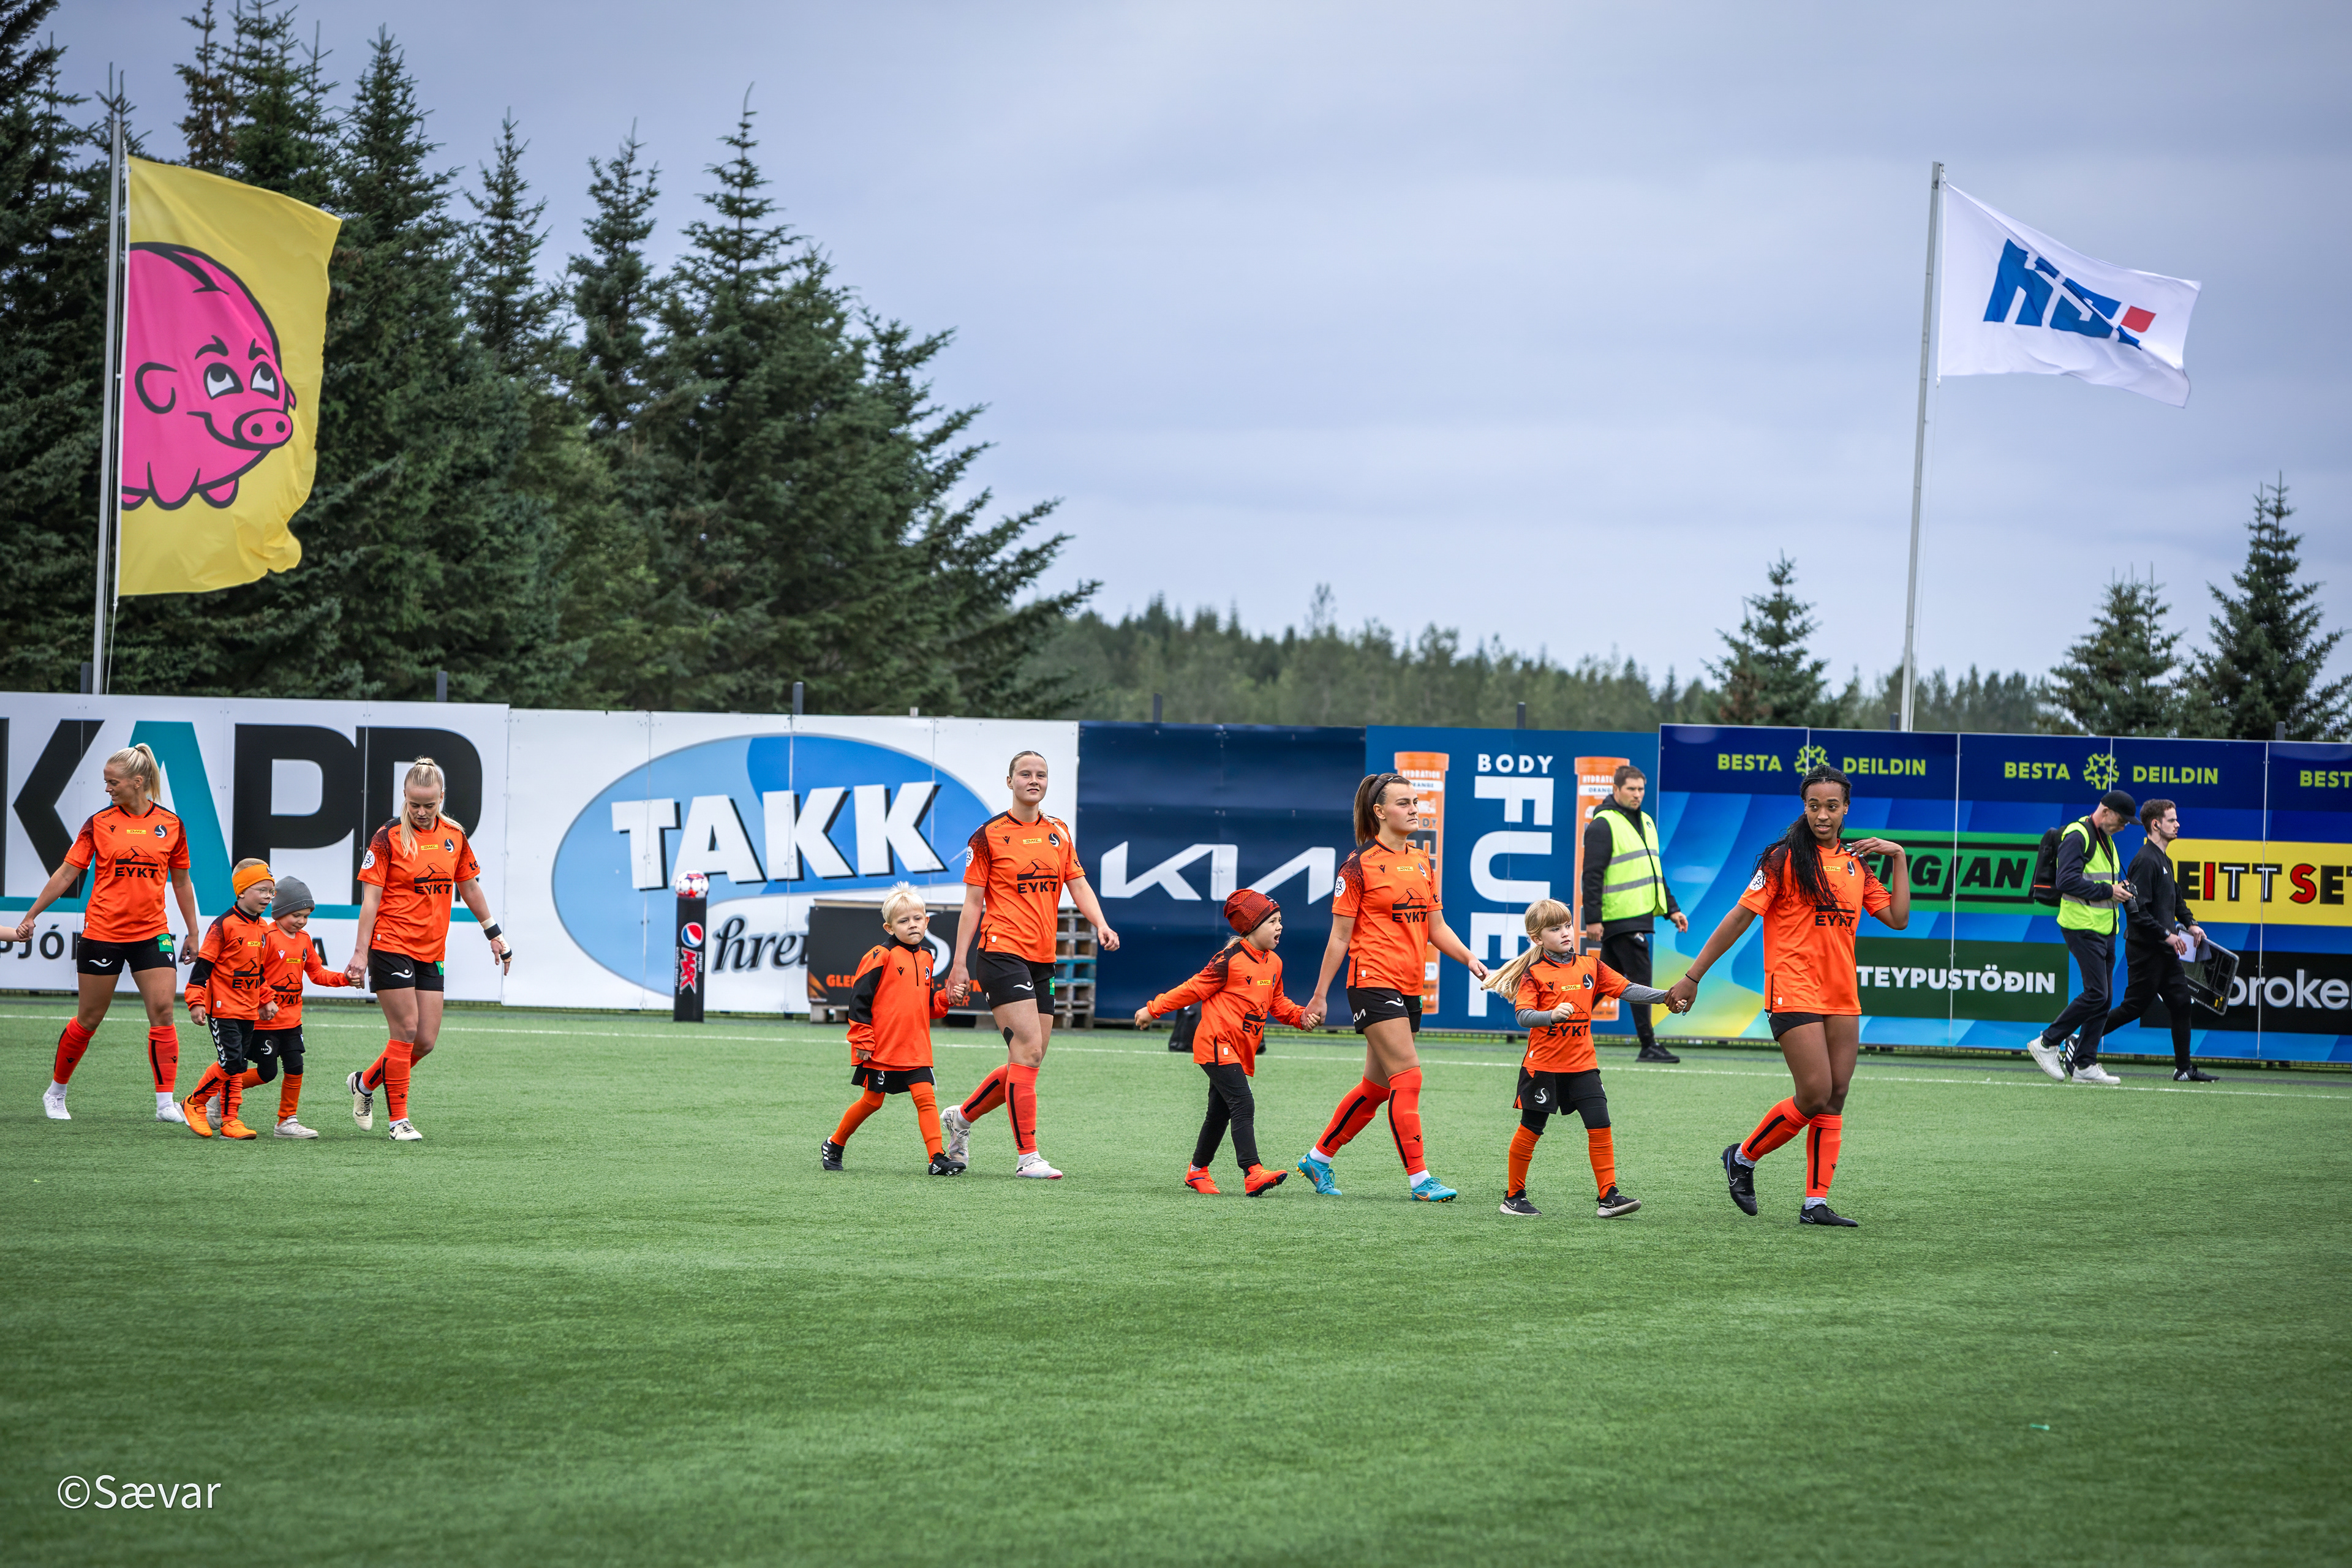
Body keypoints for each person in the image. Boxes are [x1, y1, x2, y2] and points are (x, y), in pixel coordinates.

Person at [1666, 764, 1910, 1228]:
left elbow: (1898, 919)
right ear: (1805, 808)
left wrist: (1897, 856)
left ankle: (1815, 1204)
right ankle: (1742, 1157)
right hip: (1793, 988)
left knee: (1836, 1096)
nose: (1823, 815)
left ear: (1846, 809)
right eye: (1814, 806)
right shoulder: (1782, 859)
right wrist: (1693, 977)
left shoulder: (1857, 864)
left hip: (1841, 994)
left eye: (1832, 806)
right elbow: (1740, 917)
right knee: (1815, 1093)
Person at [1294, 771, 1492, 1203]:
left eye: (1415, 802)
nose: (1414, 809)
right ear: (1380, 812)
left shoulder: (1422, 861)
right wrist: (1320, 995)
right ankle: (1421, 1180)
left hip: (1408, 986)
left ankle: (1318, 1158)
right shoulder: (1357, 866)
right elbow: (1340, 938)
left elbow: (1436, 927)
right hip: (1372, 981)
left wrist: (1469, 959)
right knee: (1409, 1076)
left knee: (1378, 1088)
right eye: (1404, 803)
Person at [940, 750, 1120, 1180]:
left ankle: (961, 1119)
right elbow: (972, 904)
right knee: (1029, 1049)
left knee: (1028, 1059)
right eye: (1025, 774)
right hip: (1001, 952)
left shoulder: (1059, 832)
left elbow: (1078, 885)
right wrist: (959, 964)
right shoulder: (988, 836)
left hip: (1042, 959)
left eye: (1041, 774)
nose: (1033, 780)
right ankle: (1028, 1158)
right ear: (1010, 782)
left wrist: (1101, 923)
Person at [20, 743, 200, 1124]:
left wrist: (193, 932)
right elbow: (66, 874)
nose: (107, 788)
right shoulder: (98, 823)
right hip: (103, 932)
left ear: (138, 782)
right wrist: (33, 914)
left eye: (112, 782)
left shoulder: (172, 824)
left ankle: (165, 1104)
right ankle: (56, 1092)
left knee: (164, 1012)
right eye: (106, 782)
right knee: (89, 1018)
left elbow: (182, 882)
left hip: (153, 933)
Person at [341, 758, 514, 1142]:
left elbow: (469, 887)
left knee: (425, 1041)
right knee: (405, 1030)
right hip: (391, 943)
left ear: (442, 798)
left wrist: (494, 934)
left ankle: (364, 1083)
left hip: (431, 950)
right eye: (415, 804)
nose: (421, 812)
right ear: (404, 796)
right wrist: (360, 953)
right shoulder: (387, 838)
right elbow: (370, 901)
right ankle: (398, 1121)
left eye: (429, 805)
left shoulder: (455, 835)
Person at [1485, 897, 1679, 1218]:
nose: (1565, 932)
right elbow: (1523, 1016)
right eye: (1555, 929)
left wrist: (1666, 997)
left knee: (1600, 1123)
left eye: (1568, 925)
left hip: (1583, 1065)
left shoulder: (1591, 965)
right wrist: (1550, 1016)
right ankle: (1514, 1197)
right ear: (1537, 938)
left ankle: (1609, 1196)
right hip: (1542, 1067)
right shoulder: (1535, 973)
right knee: (1531, 1128)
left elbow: (1627, 989)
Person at [1134, 889, 1305, 1197]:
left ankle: (1197, 1171)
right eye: (1273, 922)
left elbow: (1278, 1002)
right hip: (1216, 1043)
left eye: (1281, 921)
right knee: (1243, 1103)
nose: (1280, 927)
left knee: (1219, 1113)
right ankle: (1253, 1172)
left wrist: (1301, 1017)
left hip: (1240, 1050)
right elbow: (1192, 989)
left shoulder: (1275, 963)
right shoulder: (1229, 959)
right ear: (1251, 927)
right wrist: (1153, 1009)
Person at [186, 875, 349, 1138]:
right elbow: (249, 970)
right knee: (261, 1070)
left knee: (295, 1066)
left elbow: (317, 973)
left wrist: (345, 979)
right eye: (296, 915)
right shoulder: (265, 934)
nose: (301, 921)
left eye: (306, 916)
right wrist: (264, 999)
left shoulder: (301, 939)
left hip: (291, 1020)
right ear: (280, 911)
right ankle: (208, 1099)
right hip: (261, 1018)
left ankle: (286, 1121)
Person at [821, 886, 962, 1175]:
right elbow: (859, 1000)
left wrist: (946, 998)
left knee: (926, 1099)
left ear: (927, 922)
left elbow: (926, 1006)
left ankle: (936, 1158)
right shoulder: (880, 955)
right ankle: (834, 1144)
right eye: (904, 921)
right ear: (889, 927)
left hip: (916, 1048)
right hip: (883, 1048)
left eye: (918, 919)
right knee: (872, 1102)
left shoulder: (927, 957)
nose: (912, 925)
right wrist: (863, 1039)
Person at [2027, 790, 2138, 1087]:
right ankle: (2047, 1042)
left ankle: (2084, 1063)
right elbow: (2066, 881)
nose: (2124, 826)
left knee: (2105, 998)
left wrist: (2120, 887)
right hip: (2081, 926)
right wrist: (2110, 891)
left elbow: (2099, 880)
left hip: (2105, 928)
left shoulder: (2106, 839)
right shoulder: (2078, 835)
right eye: (2123, 820)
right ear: (2107, 811)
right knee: (2097, 994)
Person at [2102, 799, 2217, 1084]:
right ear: (2156, 824)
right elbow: (2136, 912)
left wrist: (2191, 923)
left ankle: (2184, 1069)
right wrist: (2167, 935)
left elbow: (2175, 899)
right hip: (2146, 950)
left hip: (2165, 950)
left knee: (2181, 1002)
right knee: (2134, 1007)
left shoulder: (2164, 859)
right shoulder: (2145, 860)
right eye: (2171, 820)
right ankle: (2079, 1040)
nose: (2178, 824)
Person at [1580, 764, 1689, 1064]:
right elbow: (1591, 875)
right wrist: (1593, 919)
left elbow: (1654, 872)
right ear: (1616, 790)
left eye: (1641, 789)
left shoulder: (1647, 822)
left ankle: (1562, 1024)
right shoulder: (1603, 824)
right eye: (1631, 789)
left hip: (1638, 917)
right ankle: (1648, 1044)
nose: (1637, 794)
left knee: (1601, 983)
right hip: (1621, 918)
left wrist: (1672, 909)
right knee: (1639, 979)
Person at [181, 859, 278, 1140]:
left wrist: (265, 999)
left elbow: (258, 971)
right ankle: (194, 1102)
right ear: (242, 891)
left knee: (238, 1066)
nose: (268, 897)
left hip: (248, 1010)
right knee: (232, 1062)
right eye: (262, 890)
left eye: (271, 892)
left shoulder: (263, 928)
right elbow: (202, 968)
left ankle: (230, 1120)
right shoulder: (223, 925)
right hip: (223, 1009)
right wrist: (196, 1001)